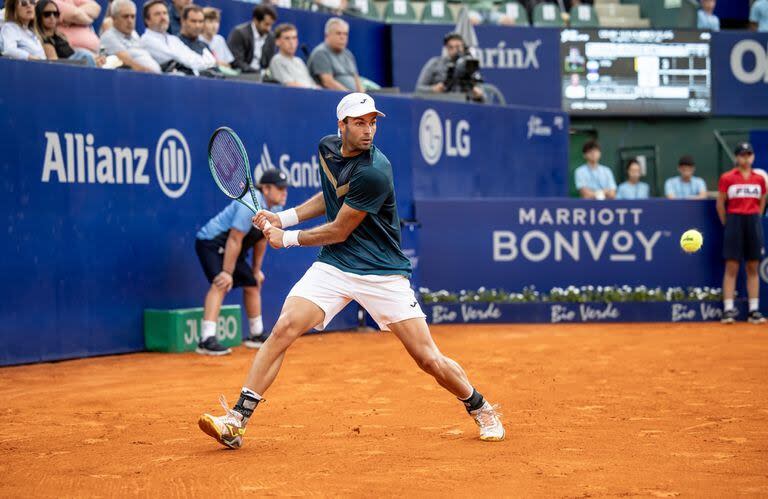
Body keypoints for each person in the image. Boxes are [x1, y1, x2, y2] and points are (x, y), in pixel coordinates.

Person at [198, 93, 505, 448]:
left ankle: (480, 406)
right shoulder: (327, 148)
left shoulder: (376, 171)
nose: (368, 130)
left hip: (382, 272)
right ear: (341, 125)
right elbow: (330, 195)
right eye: (360, 122)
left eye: (373, 122)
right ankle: (236, 421)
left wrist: (289, 237)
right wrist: (283, 217)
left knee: (428, 359)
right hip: (336, 265)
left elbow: (339, 228)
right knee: (283, 327)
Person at [194, 169, 289, 355]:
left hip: (232, 248)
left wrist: (256, 270)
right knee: (221, 283)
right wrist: (227, 272)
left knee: (252, 284)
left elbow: (262, 240)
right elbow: (234, 239)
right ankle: (206, 339)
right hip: (212, 243)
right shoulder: (247, 204)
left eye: (285, 188)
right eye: (280, 188)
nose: (284, 192)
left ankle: (256, 334)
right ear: (266, 189)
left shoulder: (275, 210)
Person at [717, 142, 766, 324]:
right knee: (732, 267)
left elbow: (762, 201)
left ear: (752, 156)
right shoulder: (727, 178)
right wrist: (728, 223)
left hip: (753, 221)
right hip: (734, 221)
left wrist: (755, 218)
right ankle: (728, 310)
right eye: (742, 155)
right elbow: (720, 204)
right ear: (736, 158)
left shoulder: (760, 179)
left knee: (753, 267)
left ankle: (754, 311)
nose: (746, 158)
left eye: (749, 154)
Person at [140, 0, 216, 75]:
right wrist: (204, 63)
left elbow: (193, 57)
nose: (163, 17)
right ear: (147, 20)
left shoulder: (173, 39)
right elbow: (179, 59)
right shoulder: (146, 40)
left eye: (165, 13)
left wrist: (205, 63)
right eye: (157, 14)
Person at [415, 32, 484, 102]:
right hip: (441, 102)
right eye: (450, 47)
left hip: (464, 104)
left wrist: (478, 95)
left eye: (457, 47)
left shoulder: (469, 65)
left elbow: (482, 97)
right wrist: (433, 89)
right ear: (446, 48)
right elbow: (419, 89)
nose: (454, 50)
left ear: (463, 47)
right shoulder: (435, 63)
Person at [99, 0, 161, 73]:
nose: (130, 21)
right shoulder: (108, 37)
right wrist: (152, 75)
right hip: (137, 78)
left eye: (132, 16)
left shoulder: (134, 34)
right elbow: (129, 62)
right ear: (114, 19)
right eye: (125, 17)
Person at [35, 0, 100, 66]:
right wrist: (85, 61)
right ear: (39, 16)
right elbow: (54, 64)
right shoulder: (46, 41)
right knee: (85, 56)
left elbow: (97, 7)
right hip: (68, 71)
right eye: (47, 14)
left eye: (55, 14)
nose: (52, 17)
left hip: (77, 66)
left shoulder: (60, 36)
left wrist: (93, 60)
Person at [307, 17, 363, 92]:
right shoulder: (320, 53)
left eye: (345, 34)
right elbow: (328, 82)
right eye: (338, 33)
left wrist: (363, 96)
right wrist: (351, 96)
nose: (342, 37)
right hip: (335, 99)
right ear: (327, 35)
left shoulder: (348, 54)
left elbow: (356, 79)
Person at [227, 4, 276, 74]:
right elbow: (236, 62)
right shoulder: (239, 33)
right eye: (266, 24)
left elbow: (270, 63)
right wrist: (258, 73)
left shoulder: (271, 37)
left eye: (271, 25)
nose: (269, 29)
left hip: (262, 78)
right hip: (241, 75)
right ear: (256, 20)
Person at [268, 23, 317, 88]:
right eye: (287, 38)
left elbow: (312, 84)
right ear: (277, 42)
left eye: (294, 38)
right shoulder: (277, 60)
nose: (291, 42)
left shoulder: (299, 61)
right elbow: (290, 84)